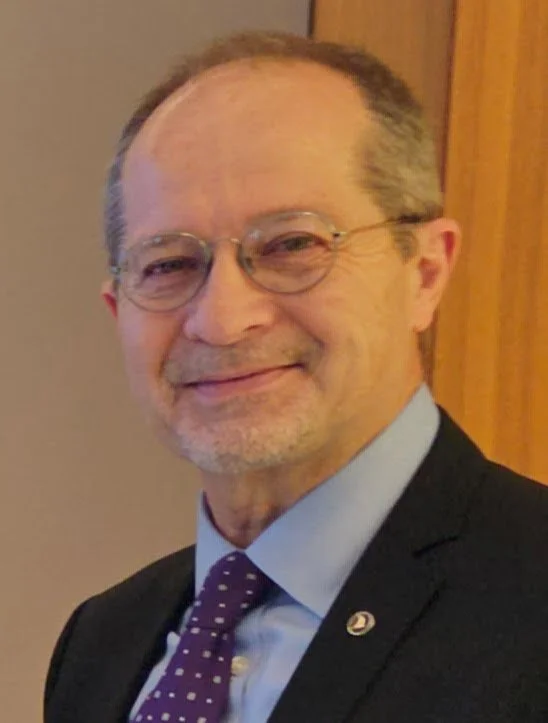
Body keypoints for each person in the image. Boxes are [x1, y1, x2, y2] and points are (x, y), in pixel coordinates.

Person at [44, 31, 548, 723]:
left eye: (291, 245)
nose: (222, 320)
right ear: (117, 309)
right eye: (169, 265)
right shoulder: (101, 642)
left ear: (425, 273)